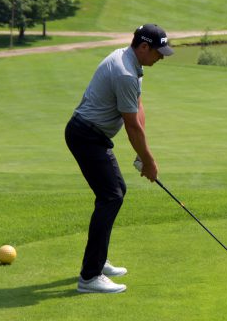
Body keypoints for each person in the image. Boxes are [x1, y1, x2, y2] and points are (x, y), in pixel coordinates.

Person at [65, 23, 174, 293]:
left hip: (93, 136)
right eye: (158, 52)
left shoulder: (132, 64)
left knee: (114, 193)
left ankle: (98, 261)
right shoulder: (125, 72)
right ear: (144, 47)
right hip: (85, 136)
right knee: (111, 196)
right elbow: (131, 127)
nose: (161, 57)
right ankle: (89, 277)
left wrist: (142, 155)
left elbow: (137, 108)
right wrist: (149, 162)